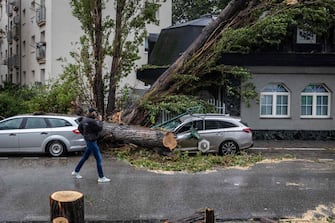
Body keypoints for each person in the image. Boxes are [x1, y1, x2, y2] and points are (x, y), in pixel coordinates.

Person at [72, 108, 111, 183]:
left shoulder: (84, 119)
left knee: (85, 157)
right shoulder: (92, 121)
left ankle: (76, 171)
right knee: (98, 158)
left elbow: (79, 128)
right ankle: (101, 177)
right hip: (92, 141)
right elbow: (99, 128)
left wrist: (84, 135)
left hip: (88, 140)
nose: (96, 114)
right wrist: (100, 120)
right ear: (91, 113)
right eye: (95, 112)